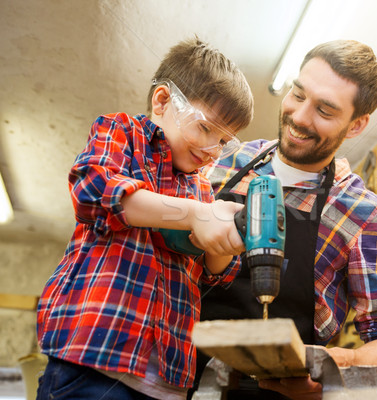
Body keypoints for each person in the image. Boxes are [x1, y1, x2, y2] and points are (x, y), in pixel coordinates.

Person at [36, 38, 253, 400]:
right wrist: (197, 214)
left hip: (167, 383)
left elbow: (218, 272)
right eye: (204, 128)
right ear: (163, 101)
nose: (211, 149)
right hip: (95, 361)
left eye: (223, 141)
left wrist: (227, 235)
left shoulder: (201, 190)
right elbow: (96, 190)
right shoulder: (122, 133)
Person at [195, 39, 377, 400]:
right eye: (298, 94)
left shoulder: (365, 214)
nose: (299, 117)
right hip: (176, 379)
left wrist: (339, 374)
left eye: (324, 111)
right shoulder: (223, 160)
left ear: (356, 125)